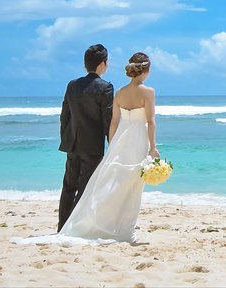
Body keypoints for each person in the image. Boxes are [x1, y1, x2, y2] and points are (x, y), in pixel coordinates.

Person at [16, 52, 160, 246]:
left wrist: (111, 146)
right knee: (112, 187)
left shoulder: (100, 89)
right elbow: (143, 121)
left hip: (91, 143)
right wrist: (151, 147)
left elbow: (106, 122)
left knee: (73, 186)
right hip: (118, 143)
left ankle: (66, 226)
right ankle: (105, 227)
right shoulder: (131, 90)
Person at [58, 44, 113, 232]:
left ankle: (62, 226)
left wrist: (65, 139)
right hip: (92, 146)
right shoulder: (105, 87)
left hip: (72, 144)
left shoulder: (72, 85)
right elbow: (108, 121)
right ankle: (73, 228)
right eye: (107, 62)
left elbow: (65, 115)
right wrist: (112, 145)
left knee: (68, 187)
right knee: (85, 189)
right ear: (102, 64)